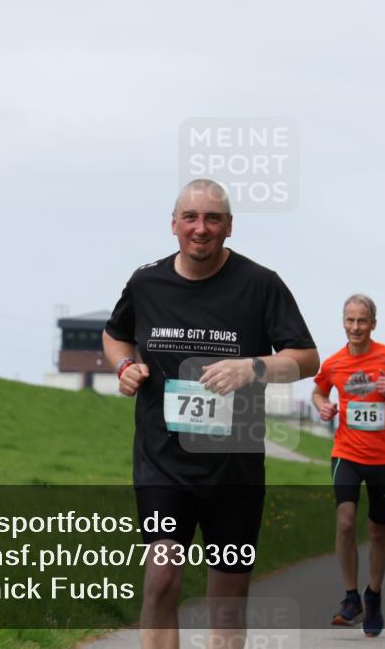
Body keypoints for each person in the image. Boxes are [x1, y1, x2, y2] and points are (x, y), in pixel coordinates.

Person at [103, 179, 319, 649]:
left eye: (213, 219)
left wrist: (253, 367)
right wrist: (124, 367)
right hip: (162, 463)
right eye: (191, 218)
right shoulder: (146, 282)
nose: (201, 228)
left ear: (229, 226)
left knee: (227, 602)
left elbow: (307, 359)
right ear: (174, 224)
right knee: (162, 576)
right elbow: (115, 334)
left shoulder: (260, 284)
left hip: (233, 469)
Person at [312, 294, 385, 637]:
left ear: (373, 324)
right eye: (350, 320)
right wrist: (322, 406)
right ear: (343, 322)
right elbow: (318, 391)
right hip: (346, 454)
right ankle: (351, 597)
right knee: (346, 522)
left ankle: (373, 594)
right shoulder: (334, 363)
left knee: (378, 530)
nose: (355, 327)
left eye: (362, 320)